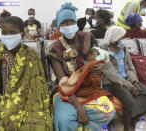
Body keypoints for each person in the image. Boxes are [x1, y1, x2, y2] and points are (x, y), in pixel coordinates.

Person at [0, 16, 53, 131]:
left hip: (26, 101)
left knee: (37, 125)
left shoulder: (31, 55)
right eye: (5, 33)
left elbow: (38, 86)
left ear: (22, 35)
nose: (8, 36)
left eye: (13, 32)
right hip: (1, 99)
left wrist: (15, 104)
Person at [47, 3, 115, 131]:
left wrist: (100, 67)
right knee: (63, 120)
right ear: (58, 26)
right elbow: (63, 81)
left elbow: (100, 58)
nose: (69, 26)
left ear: (76, 22)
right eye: (64, 23)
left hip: (89, 87)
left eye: (71, 21)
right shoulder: (54, 49)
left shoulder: (88, 37)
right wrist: (78, 107)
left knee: (109, 111)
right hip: (66, 92)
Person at [100, 26, 146, 131]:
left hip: (128, 80)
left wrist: (135, 82)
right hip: (112, 83)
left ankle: (132, 117)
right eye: (122, 38)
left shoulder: (124, 49)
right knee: (129, 100)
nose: (124, 40)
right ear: (114, 39)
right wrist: (129, 86)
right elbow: (112, 75)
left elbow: (131, 67)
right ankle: (126, 127)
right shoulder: (104, 52)